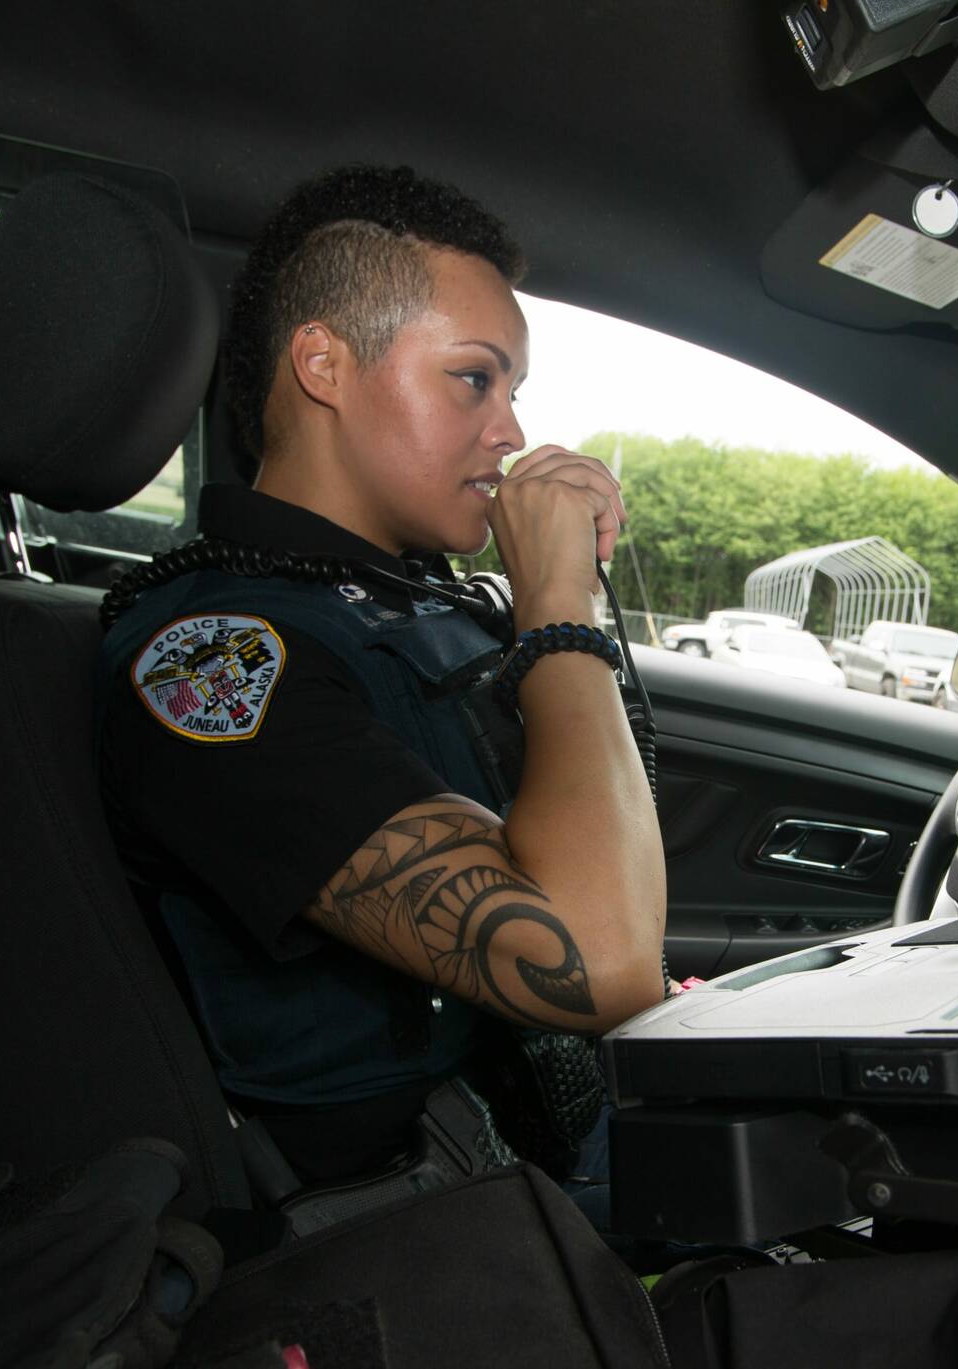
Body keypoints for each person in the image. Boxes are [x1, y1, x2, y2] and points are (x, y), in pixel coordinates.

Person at [96, 165, 666, 1196]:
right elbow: (592, 954)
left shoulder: (407, 600)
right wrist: (557, 613)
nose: (511, 434)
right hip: (416, 1226)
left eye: (512, 392)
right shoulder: (208, 658)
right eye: (473, 378)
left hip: (538, 1156)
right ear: (323, 362)